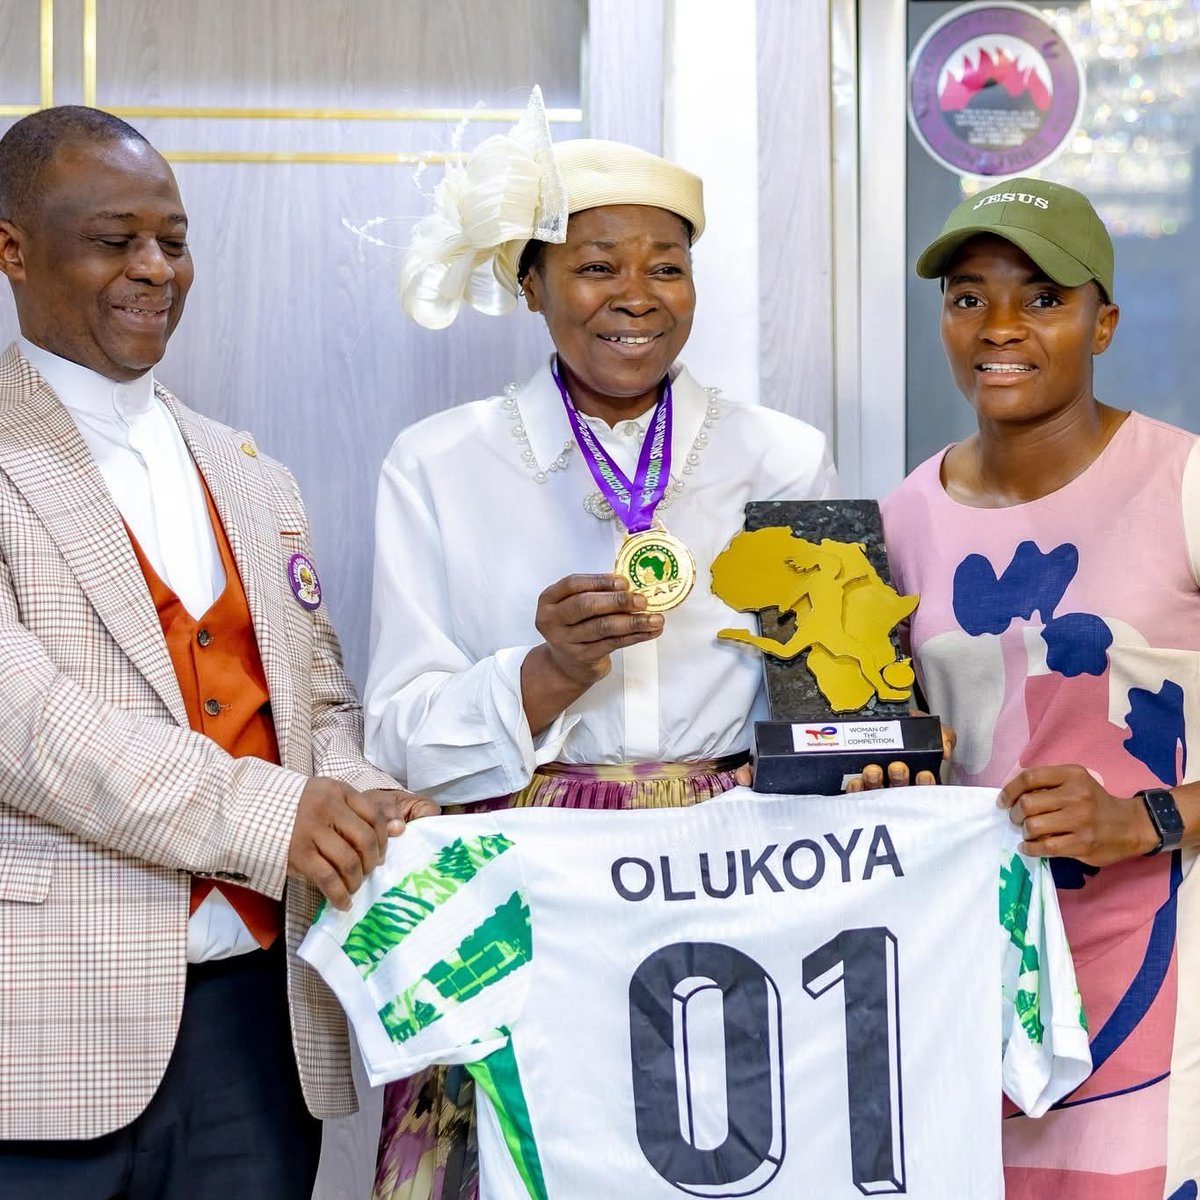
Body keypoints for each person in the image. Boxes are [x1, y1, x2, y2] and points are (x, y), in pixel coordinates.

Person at [363, 93, 837, 1200]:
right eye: (594, 266)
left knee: (720, 1155)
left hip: (733, 872)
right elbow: (395, 732)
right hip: (524, 884)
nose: (636, 297)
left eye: (666, 267)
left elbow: (826, 701)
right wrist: (547, 677)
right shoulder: (436, 463)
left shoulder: (782, 456)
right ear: (529, 285)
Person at [0, 106, 433, 1199]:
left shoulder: (251, 473)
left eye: (175, 239)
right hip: (46, 1031)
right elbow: (28, 727)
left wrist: (367, 800)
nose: (156, 269)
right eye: (115, 239)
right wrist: (275, 817)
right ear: (11, 248)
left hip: (258, 1024)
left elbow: (317, 705)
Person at [882, 177, 1200, 1198]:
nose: (999, 326)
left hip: (1170, 977)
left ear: (1103, 322)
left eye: (1043, 297)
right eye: (967, 295)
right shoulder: (898, 518)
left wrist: (1141, 817)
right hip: (977, 985)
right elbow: (903, 748)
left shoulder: (1185, 484)